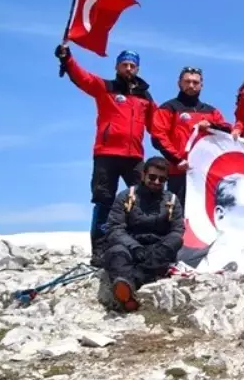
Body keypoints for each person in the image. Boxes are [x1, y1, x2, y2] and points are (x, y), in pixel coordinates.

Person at [55, 44, 156, 248]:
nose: (129, 69)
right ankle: (100, 248)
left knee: (142, 198)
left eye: (132, 66)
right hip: (106, 154)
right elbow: (84, 78)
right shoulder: (106, 88)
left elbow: (157, 125)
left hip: (134, 157)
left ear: (137, 69)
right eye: (124, 65)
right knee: (104, 200)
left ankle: (140, 243)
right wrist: (67, 59)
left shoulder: (145, 97)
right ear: (117, 67)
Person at [96, 157, 183, 313]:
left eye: (162, 179)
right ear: (143, 175)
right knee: (116, 253)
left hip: (156, 249)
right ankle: (127, 291)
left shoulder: (172, 200)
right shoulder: (125, 196)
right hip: (129, 246)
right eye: (152, 177)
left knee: (169, 248)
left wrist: (164, 247)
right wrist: (134, 247)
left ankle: (127, 290)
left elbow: (177, 231)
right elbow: (115, 228)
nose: (156, 181)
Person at [151, 66, 231, 201]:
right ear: (179, 83)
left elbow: (228, 130)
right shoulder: (168, 108)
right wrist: (177, 160)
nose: (191, 85)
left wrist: (212, 125)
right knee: (177, 213)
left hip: (205, 172)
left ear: (201, 85)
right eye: (187, 81)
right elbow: (158, 137)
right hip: (179, 171)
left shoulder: (211, 111)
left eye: (195, 82)